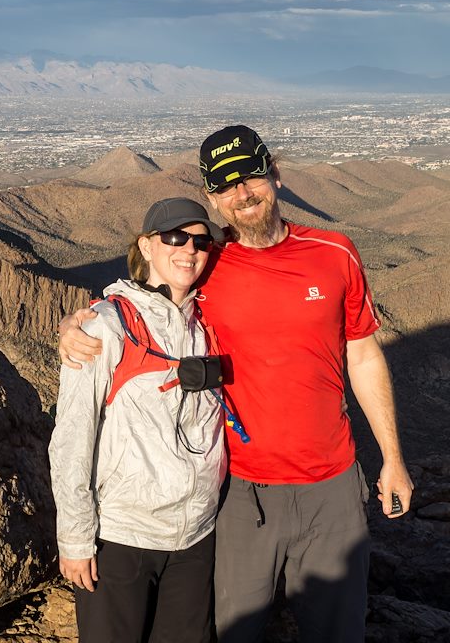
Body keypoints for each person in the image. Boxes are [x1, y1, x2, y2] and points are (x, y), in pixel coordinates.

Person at [58, 125, 414, 643]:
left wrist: (393, 458)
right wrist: (80, 323)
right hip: (241, 494)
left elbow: (362, 353)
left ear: (274, 174)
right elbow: (144, 296)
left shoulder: (334, 253)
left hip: (331, 485)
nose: (242, 194)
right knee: (233, 633)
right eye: (226, 187)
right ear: (213, 198)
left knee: (338, 632)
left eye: (250, 177)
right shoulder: (209, 264)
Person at [50, 197, 230, 643]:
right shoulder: (107, 326)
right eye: (174, 237)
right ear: (147, 247)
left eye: (200, 241)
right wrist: (74, 539)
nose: (188, 249)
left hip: (195, 536)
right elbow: (73, 435)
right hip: (121, 538)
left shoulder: (209, 323)